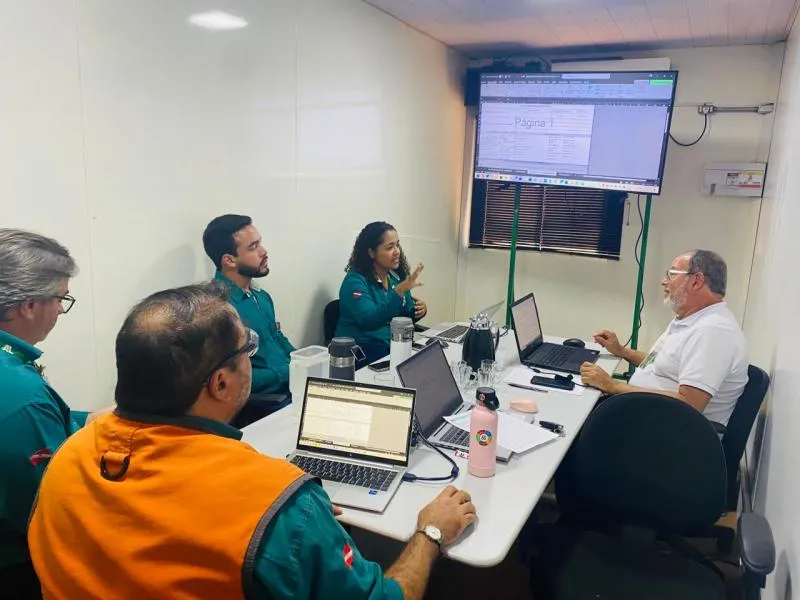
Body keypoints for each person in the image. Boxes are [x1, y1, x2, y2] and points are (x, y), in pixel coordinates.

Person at [28, 283, 477, 600]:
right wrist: (431, 532)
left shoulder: (67, 457)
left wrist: (293, 519)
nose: (252, 357)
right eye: (248, 349)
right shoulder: (274, 501)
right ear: (220, 383)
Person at [0, 229, 106, 598]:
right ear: (29, 306)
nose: (61, 309)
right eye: (60, 298)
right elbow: (50, 505)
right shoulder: (22, 396)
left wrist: (84, 420)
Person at [580, 249, 748, 427]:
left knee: (576, 423)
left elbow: (690, 404)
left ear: (696, 281)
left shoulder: (713, 331)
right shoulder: (691, 319)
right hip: (651, 416)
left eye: (672, 274)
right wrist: (622, 351)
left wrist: (613, 386)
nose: (664, 281)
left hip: (668, 432)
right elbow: (662, 364)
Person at [203, 214, 294, 422]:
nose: (264, 251)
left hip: (289, 387)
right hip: (265, 403)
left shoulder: (261, 297)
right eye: (253, 247)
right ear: (229, 260)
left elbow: (278, 339)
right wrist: (287, 372)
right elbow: (230, 377)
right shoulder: (217, 308)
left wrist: (305, 362)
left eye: (260, 243)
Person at [336, 222, 427, 365]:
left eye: (397, 245)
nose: (397, 252)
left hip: (393, 344)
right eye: (390, 247)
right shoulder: (355, 281)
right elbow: (369, 320)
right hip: (362, 349)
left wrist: (419, 310)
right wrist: (398, 292)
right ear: (372, 253)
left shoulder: (395, 276)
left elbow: (404, 315)